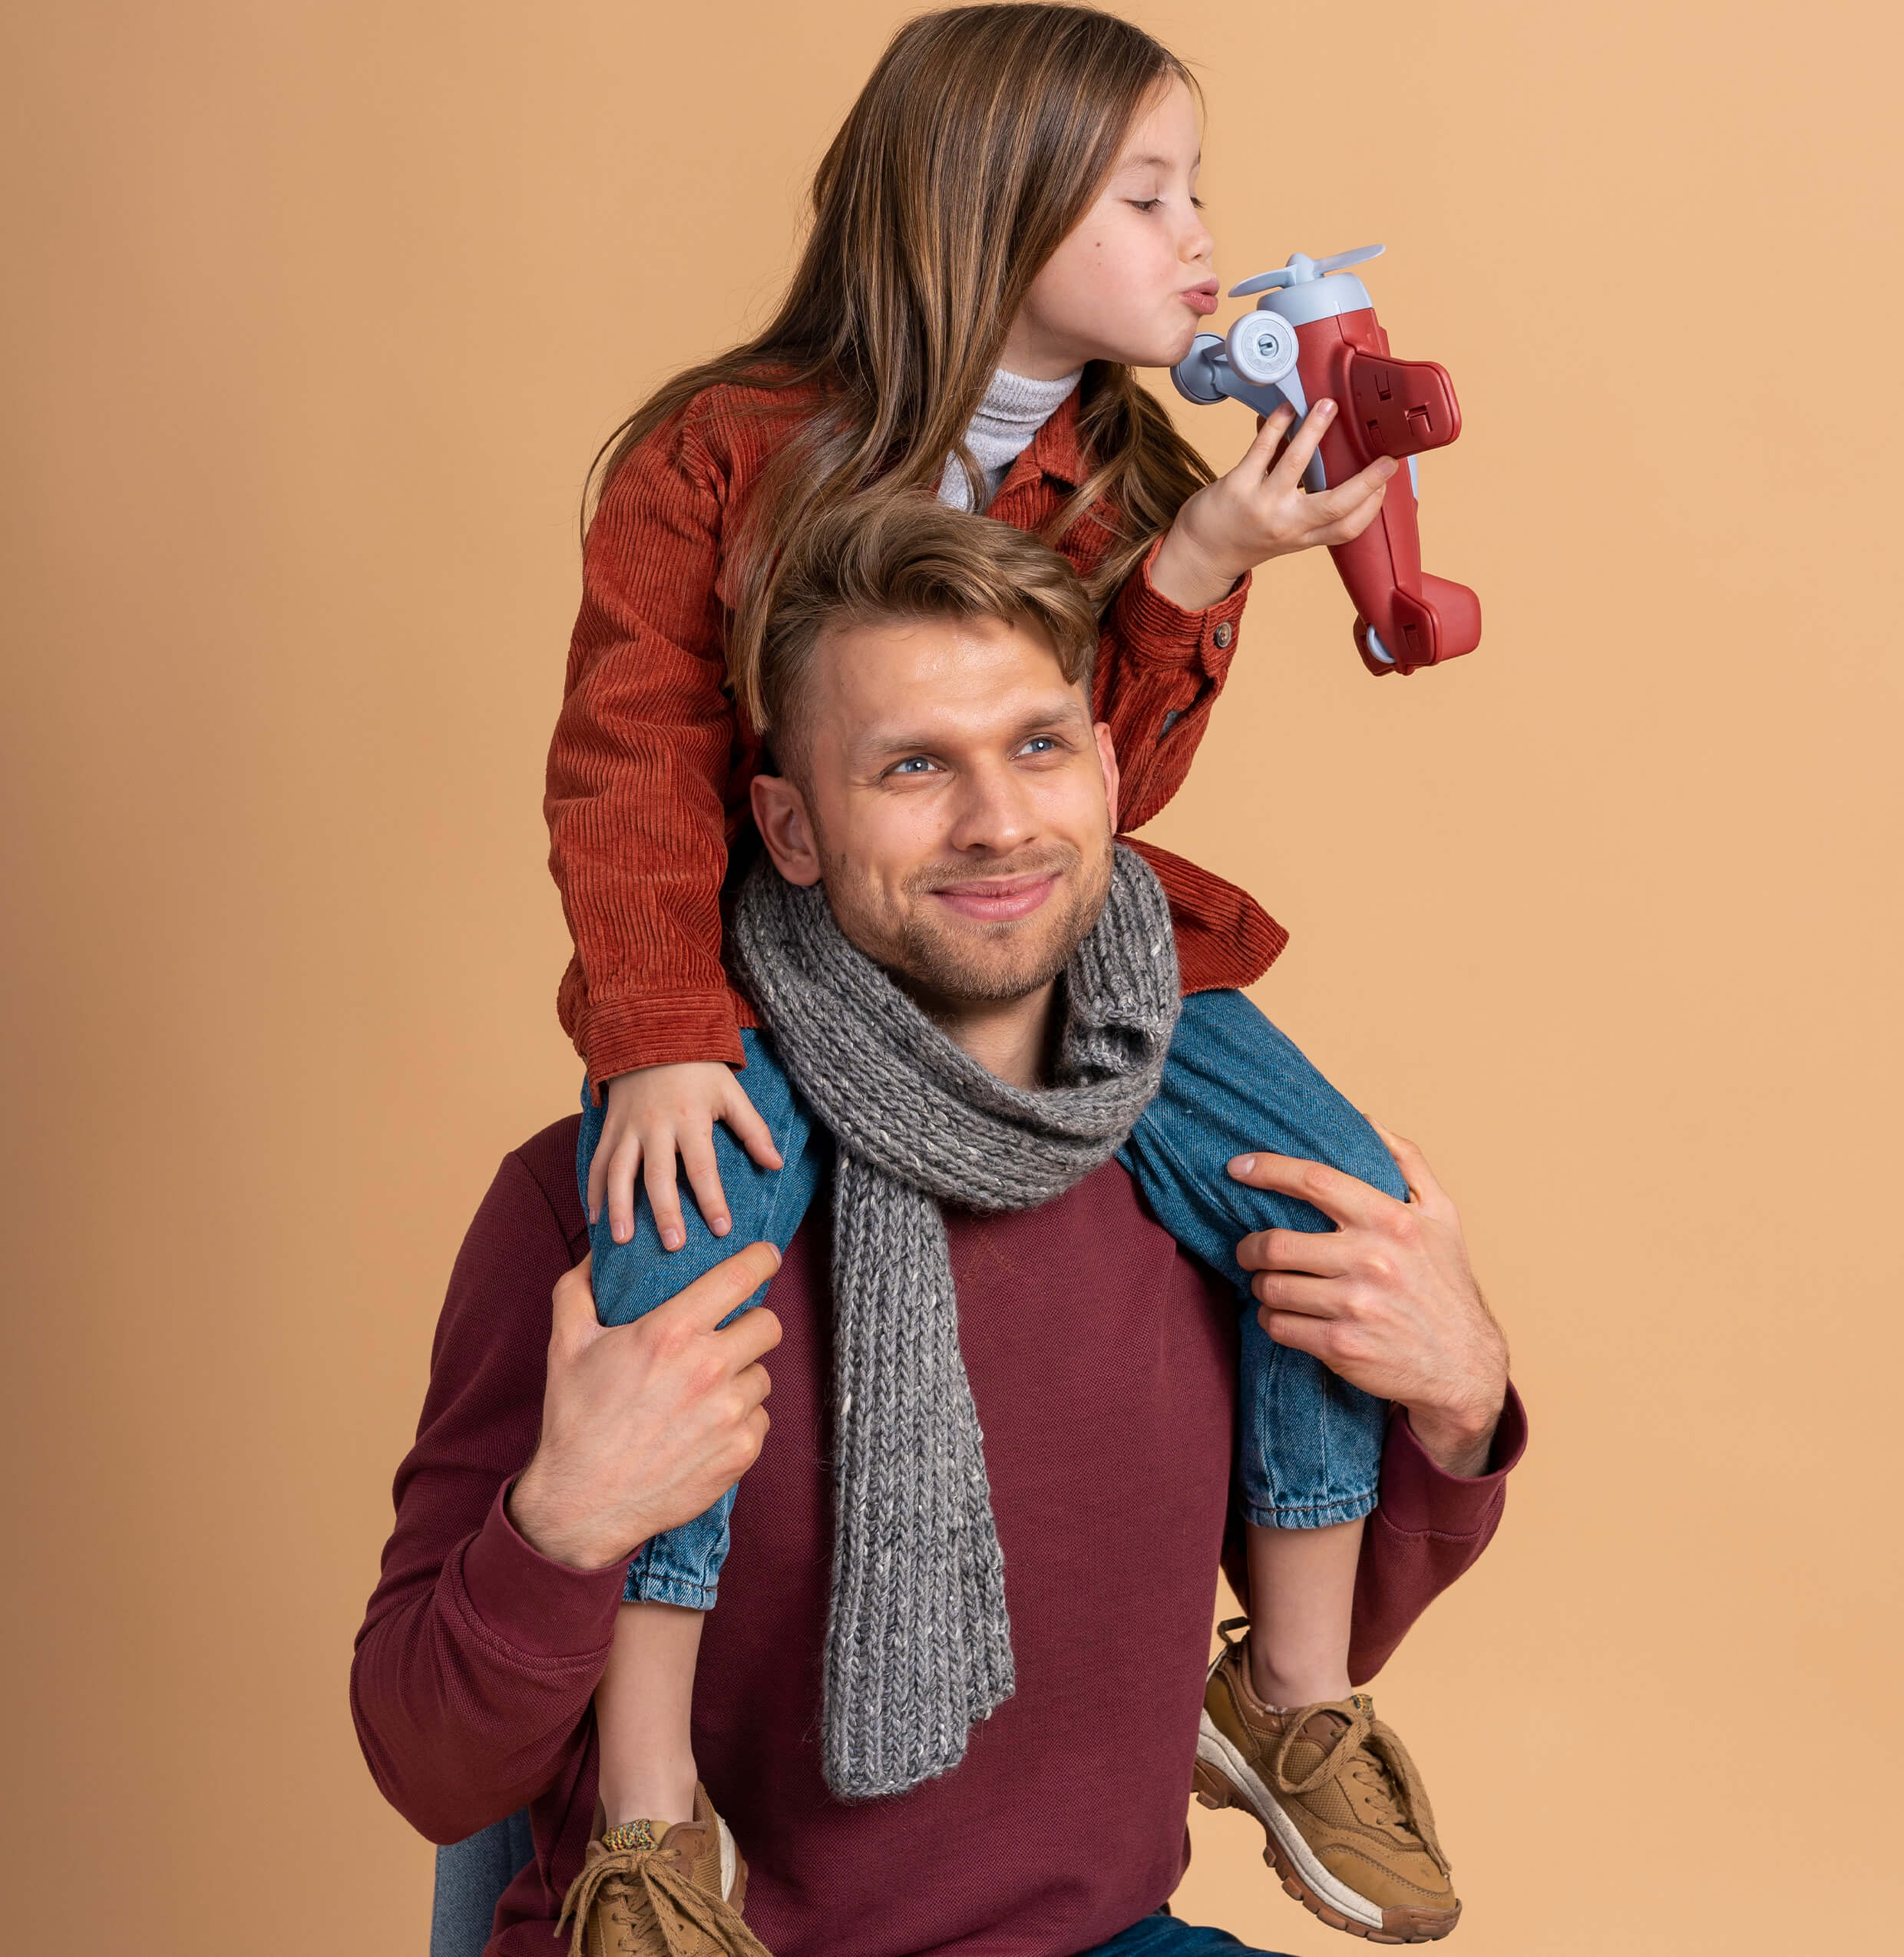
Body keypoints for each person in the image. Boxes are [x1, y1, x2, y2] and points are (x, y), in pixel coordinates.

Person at [540, 8, 1421, 1942]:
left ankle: (1289, 1696)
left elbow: (1073, 804)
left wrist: (1198, 560)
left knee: (1335, 1194)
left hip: (1058, 955)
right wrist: (672, 1039)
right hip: (773, 949)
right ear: (992, 205)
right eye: (1147, 194)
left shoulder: (1128, 466)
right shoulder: (724, 453)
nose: (1201, 236)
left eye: (1198, 189)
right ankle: (647, 1818)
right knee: (682, 1241)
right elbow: (630, 759)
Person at [359, 499, 1523, 1957]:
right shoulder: (631, 1200)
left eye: (1038, 746)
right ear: (788, 824)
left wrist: (1462, 1398)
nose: (996, 821)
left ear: (1108, 769)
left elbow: (1310, 1665)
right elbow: (431, 1765)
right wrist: (563, 1520)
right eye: (914, 765)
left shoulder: (1207, 1173)